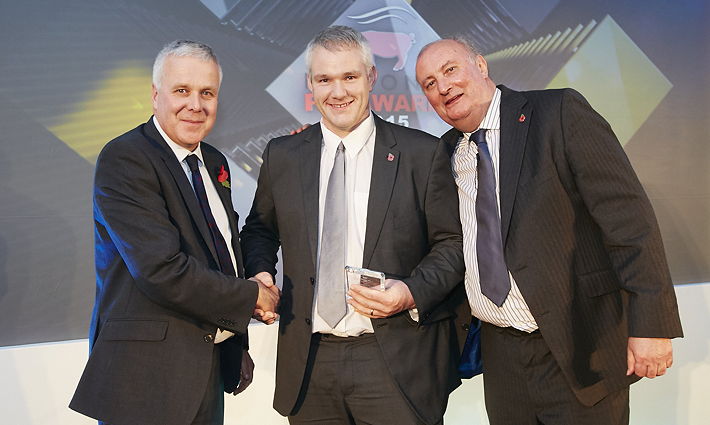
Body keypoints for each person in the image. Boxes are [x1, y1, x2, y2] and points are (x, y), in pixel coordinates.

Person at [414, 36, 684, 425]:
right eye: (429, 83)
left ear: (481, 65)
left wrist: (652, 326)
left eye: (450, 69)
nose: (443, 86)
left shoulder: (558, 113)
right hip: (502, 358)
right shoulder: (444, 155)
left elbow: (629, 222)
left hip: (580, 344)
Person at [240, 26, 467, 425]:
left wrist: (411, 292)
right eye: (325, 79)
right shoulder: (283, 155)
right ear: (310, 84)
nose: (338, 91)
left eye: (349, 76)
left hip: (396, 361)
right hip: (308, 364)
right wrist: (260, 273)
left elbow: (453, 243)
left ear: (371, 77)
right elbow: (260, 229)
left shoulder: (422, 153)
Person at [69, 40, 280, 425]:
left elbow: (222, 250)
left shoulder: (213, 161)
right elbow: (161, 269)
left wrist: (255, 284)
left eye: (207, 93)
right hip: (145, 379)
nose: (195, 105)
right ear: (155, 95)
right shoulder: (127, 158)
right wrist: (252, 296)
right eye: (182, 90)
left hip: (205, 368)